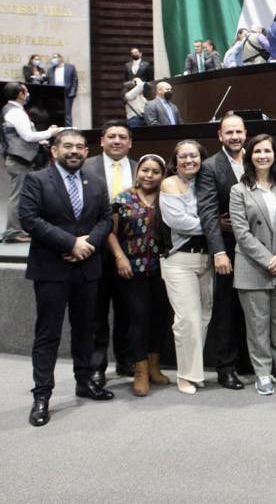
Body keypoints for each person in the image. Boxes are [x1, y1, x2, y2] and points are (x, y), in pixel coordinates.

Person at [20, 128, 114, 427]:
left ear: (87, 151)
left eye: (79, 147)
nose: (74, 151)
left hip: (87, 267)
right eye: (68, 146)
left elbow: (106, 218)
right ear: (55, 150)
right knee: (48, 334)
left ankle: (84, 382)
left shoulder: (96, 182)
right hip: (51, 269)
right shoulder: (36, 180)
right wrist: (70, 243)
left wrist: (86, 246)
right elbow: (30, 219)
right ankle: (42, 395)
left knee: (86, 328)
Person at [229, 134, 276, 396]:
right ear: (250, 156)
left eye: (267, 151)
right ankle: (263, 372)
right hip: (253, 266)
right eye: (257, 151)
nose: (262, 156)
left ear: (275, 155)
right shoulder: (239, 190)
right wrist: (268, 259)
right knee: (258, 324)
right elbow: (241, 232)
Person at [106, 154, 172, 396]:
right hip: (131, 270)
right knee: (138, 319)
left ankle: (154, 367)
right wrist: (119, 257)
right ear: (137, 172)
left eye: (155, 171)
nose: (149, 175)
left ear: (162, 175)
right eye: (145, 170)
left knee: (159, 318)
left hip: (163, 269)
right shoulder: (122, 198)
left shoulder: (168, 197)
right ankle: (140, 371)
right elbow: (110, 232)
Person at [198, 114, 253, 390]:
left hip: (257, 247)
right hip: (228, 249)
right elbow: (208, 212)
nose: (235, 137)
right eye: (229, 132)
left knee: (252, 307)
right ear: (220, 135)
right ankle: (226, 367)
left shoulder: (257, 158)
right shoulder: (210, 167)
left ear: (246, 133)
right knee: (226, 309)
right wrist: (218, 252)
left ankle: (249, 361)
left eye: (239, 132)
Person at [82, 121, 137, 387]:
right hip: (93, 249)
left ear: (130, 142)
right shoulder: (85, 167)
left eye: (122, 137)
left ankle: (126, 360)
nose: (117, 141)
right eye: (111, 136)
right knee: (96, 312)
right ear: (101, 141)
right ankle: (97, 367)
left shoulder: (140, 169)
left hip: (132, 250)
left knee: (128, 309)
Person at [158, 140, 213, 395]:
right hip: (179, 260)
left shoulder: (205, 183)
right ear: (175, 159)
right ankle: (185, 375)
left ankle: (195, 370)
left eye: (194, 156)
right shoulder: (169, 183)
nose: (189, 160)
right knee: (187, 320)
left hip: (206, 259)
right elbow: (180, 222)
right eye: (184, 156)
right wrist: (213, 225)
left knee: (203, 317)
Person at [1, 82, 60, 243]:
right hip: (19, 160)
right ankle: (13, 232)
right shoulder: (15, 113)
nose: (28, 95)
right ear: (20, 94)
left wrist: (42, 140)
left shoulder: (15, 111)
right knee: (18, 196)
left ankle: (20, 230)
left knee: (22, 195)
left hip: (22, 159)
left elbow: (24, 136)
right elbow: (27, 136)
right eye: (26, 91)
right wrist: (50, 132)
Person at [48, 53, 79, 126]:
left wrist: (72, 92)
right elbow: (48, 81)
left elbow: (75, 80)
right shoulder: (51, 69)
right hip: (54, 93)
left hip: (67, 93)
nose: (54, 59)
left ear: (60, 58)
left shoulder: (70, 67)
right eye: (52, 58)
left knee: (67, 114)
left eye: (55, 57)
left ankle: (68, 129)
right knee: (55, 112)